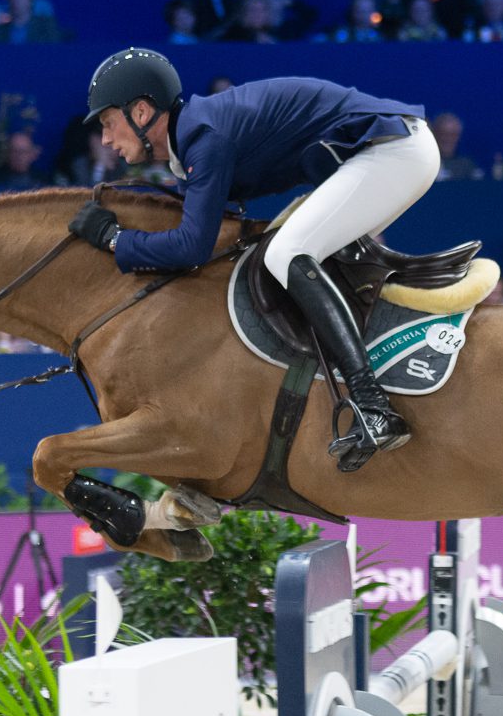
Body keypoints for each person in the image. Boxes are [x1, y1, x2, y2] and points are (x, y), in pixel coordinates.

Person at [68, 48, 437, 471]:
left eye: (107, 122)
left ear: (141, 111)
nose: (105, 139)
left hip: (392, 151)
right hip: (383, 153)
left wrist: (115, 239)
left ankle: (373, 406)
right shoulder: (193, 142)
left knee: (287, 253)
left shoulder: (204, 138)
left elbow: (191, 248)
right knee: (286, 252)